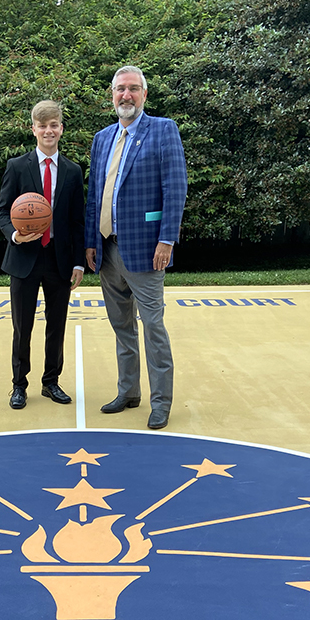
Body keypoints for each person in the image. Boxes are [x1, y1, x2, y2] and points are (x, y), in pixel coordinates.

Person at [85, 66, 188, 430]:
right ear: (112, 95)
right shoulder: (102, 138)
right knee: (121, 326)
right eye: (119, 89)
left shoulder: (163, 130)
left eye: (132, 89)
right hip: (108, 249)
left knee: (153, 328)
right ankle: (128, 391)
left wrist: (167, 239)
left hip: (146, 248)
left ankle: (161, 403)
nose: (125, 95)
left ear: (144, 94)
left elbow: (175, 187)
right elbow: (94, 195)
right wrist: (91, 242)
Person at [0, 100, 85, 410]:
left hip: (59, 259)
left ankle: (51, 382)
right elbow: (3, 212)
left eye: (54, 125)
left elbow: (77, 221)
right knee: (23, 327)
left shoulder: (73, 171)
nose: (49, 131)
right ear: (33, 129)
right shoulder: (17, 166)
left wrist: (78, 262)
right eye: (42, 125)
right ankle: (19, 385)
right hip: (24, 258)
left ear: (61, 128)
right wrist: (15, 235)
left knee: (56, 325)